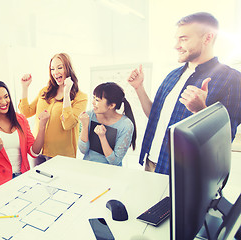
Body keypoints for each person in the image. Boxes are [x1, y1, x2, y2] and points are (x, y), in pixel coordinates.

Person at [127, 12, 241, 175]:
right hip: (151, 164)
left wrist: (201, 111)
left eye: (184, 39)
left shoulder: (232, 79)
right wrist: (139, 88)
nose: (176, 45)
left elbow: (223, 140)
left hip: (184, 175)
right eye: (177, 39)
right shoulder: (172, 76)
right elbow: (154, 116)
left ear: (207, 38)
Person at [0, 80, 50, 194]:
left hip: (21, 180)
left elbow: (34, 152)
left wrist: (42, 126)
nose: (4, 102)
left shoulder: (21, 120)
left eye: (6, 97)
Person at [19, 53, 88, 165]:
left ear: (68, 69)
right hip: (38, 152)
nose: (55, 72)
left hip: (62, 156)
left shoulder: (80, 97)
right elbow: (26, 112)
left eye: (60, 67)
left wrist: (66, 93)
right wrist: (24, 87)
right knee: (37, 182)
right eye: (52, 69)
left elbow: (68, 124)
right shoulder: (44, 91)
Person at [78, 82, 136, 166]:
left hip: (110, 172)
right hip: (88, 167)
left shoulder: (125, 125)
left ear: (111, 105)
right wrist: (84, 126)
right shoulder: (89, 116)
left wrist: (102, 137)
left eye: (97, 100)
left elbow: (115, 161)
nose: (93, 102)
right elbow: (83, 150)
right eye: (93, 98)